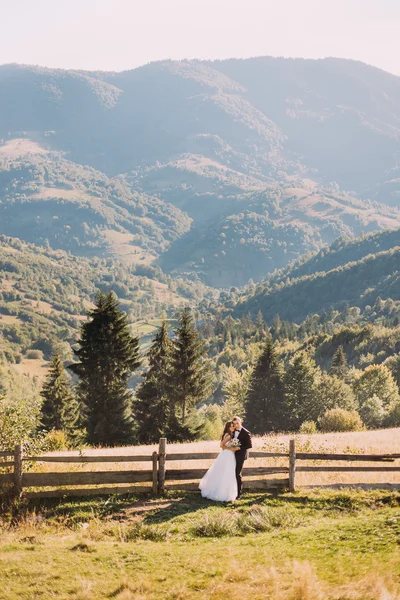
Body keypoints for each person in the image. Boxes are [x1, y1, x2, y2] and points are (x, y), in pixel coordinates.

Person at [199, 420, 240, 502]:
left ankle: (226, 491)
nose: (234, 427)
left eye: (234, 425)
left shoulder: (230, 435)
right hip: (227, 455)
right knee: (226, 472)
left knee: (226, 473)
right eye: (232, 426)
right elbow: (221, 445)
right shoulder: (228, 435)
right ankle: (222, 493)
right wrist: (232, 449)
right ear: (229, 427)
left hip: (229, 455)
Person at [231, 415, 252, 499]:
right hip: (232, 455)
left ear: (240, 422)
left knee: (237, 473)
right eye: (234, 424)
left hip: (241, 455)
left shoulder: (246, 432)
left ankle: (239, 493)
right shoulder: (232, 432)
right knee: (231, 472)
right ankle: (232, 491)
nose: (236, 425)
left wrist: (239, 447)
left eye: (237, 423)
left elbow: (249, 445)